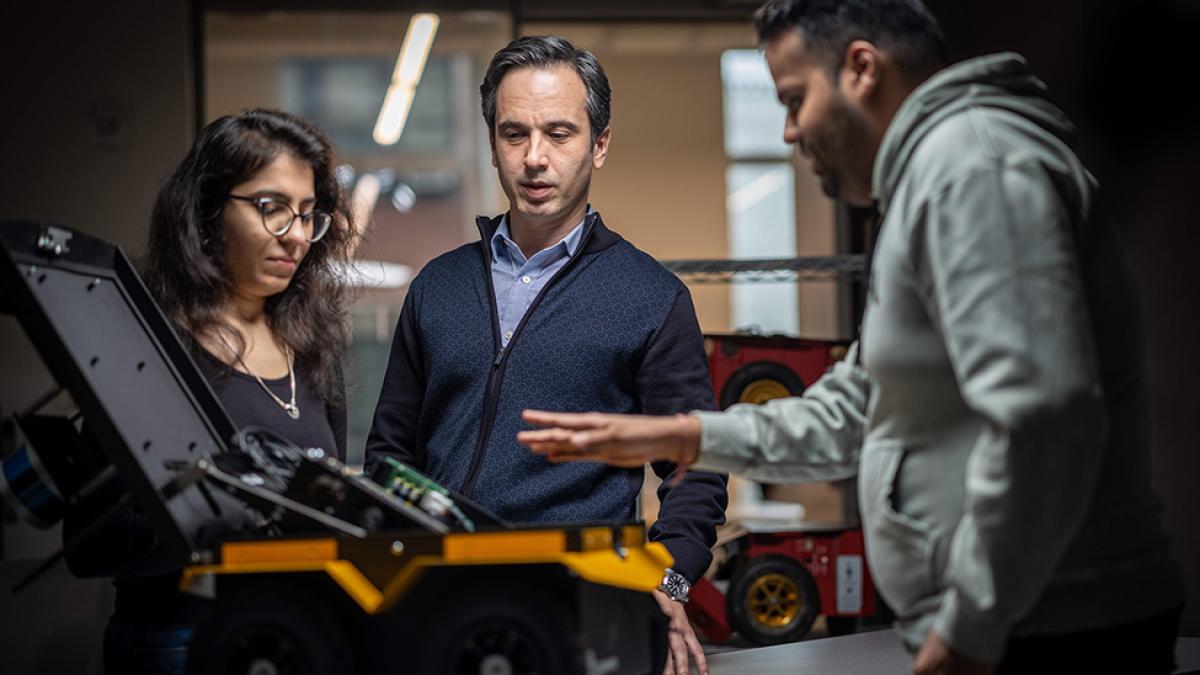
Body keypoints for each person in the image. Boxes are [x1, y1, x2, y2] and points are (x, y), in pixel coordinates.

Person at [518, 2, 1185, 673]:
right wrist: (691, 436)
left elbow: (1044, 415)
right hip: (1021, 621)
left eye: (795, 98)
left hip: (1052, 630)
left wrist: (970, 628)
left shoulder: (972, 169)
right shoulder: (931, 176)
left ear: (861, 69)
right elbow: (862, 409)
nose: (788, 131)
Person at [365, 35, 728, 675]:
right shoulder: (436, 288)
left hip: (582, 612)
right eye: (515, 134)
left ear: (600, 143)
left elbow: (695, 468)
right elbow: (390, 453)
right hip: (443, 607)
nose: (535, 158)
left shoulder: (651, 297)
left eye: (559, 133)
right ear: (493, 143)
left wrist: (667, 583)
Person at [65, 108, 355, 675]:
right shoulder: (148, 345)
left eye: (307, 214)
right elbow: (91, 544)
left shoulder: (314, 351)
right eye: (271, 209)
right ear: (206, 211)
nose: (295, 235)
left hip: (291, 641)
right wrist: (236, 522)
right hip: (178, 645)